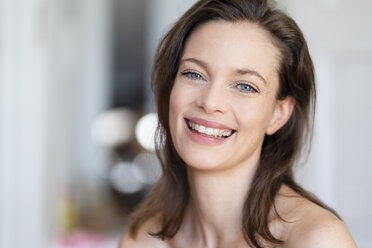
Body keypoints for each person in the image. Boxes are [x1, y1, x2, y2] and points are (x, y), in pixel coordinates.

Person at [119, 0, 357, 247]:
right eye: (194, 74)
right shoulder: (140, 241)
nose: (210, 102)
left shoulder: (316, 239)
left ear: (279, 113)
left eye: (245, 86)